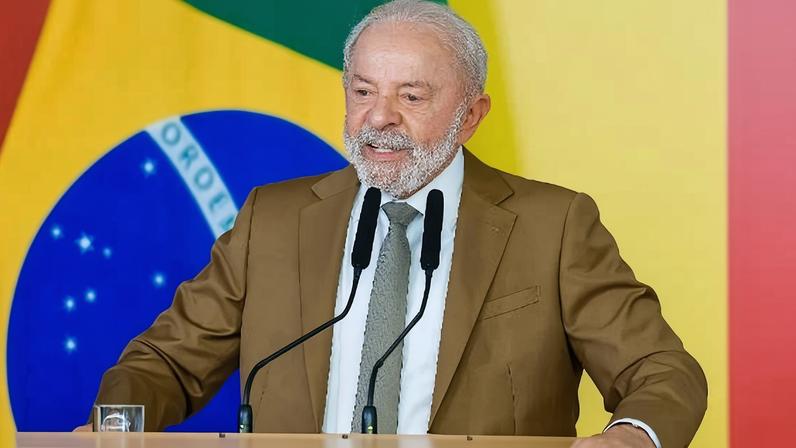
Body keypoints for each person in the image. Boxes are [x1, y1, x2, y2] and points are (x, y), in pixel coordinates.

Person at [80, 1, 707, 446]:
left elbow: (663, 373)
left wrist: (631, 439)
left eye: (411, 97)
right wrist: (114, 425)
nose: (378, 119)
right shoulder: (273, 220)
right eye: (361, 91)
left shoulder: (555, 226)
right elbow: (166, 363)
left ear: (471, 115)